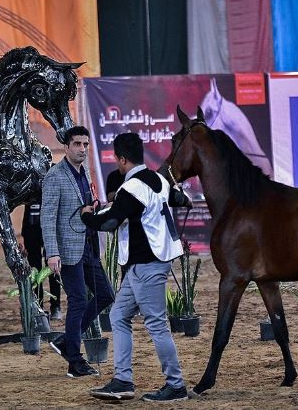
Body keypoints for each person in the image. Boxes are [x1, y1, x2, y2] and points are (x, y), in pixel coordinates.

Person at [81, 132, 192, 402]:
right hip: (143, 264)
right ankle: (123, 381)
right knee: (118, 316)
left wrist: (87, 217)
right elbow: (179, 200)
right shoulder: (159, 179)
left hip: (146, 264)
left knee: (156, 324)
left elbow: (110, 223)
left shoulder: (131, 188)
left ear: (121, 159)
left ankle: (176, 385)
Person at [40, 125, 115, 378]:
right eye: (77, 144)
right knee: (78, 301)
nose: (82, 149)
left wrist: (99, 207)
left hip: (88, 247)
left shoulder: (85, 174)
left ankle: (64, 341)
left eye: (85, 144)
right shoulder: (55, 175)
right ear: (67, 146)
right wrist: (52, 253)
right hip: (67, 251)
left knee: (106, 295)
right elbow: (47, 218)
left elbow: (83, 210)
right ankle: (74, 361)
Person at [21, 199, 62, 320]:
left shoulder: (51, 181)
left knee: (53, 267)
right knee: (34, 269)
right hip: (31, 227)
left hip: (50, 227)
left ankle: (56, 306)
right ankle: (38, 306)